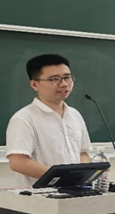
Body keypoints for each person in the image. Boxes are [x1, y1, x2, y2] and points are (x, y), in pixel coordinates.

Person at [6, 54, 92, 186]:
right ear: (35, 84)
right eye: (54, 79)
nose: (64, 84)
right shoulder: (24, 118)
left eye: (67, 77)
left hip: (75, 190)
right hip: (40, 194)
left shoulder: (75, 115)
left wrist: (83, 175)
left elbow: (83, 153)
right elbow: (18, 162)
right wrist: (63, 178)